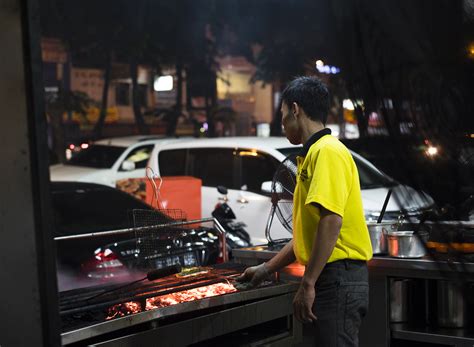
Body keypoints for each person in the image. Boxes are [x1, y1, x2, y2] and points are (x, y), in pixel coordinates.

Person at [236, 76, 373, 346]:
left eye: (283, 114)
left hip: (337, 278)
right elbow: (306, 238)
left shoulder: (328, 152)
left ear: (295, 109)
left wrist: (308, 282)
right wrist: (265, 269)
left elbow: (331, 221)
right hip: (331, 277)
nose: (282, 122)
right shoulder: (314, 154)